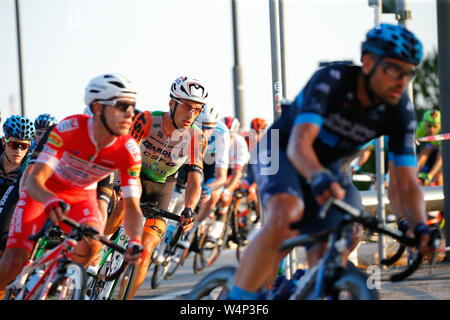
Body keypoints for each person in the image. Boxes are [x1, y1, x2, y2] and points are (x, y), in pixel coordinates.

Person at [227, 23, 444, 300]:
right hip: (282, 148)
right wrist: (317, 177)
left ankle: (294, 291)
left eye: (409, 71)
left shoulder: (400, 110)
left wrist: (417, 225)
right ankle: (238, 300)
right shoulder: (333, 81)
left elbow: (405, 182)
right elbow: (299, 144)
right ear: (367, 62)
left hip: (327, 166)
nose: (402, 80)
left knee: (338, 243)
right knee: (287, 212)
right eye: (393, 68)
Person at [0, 73, 145, 299]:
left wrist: (136, 240)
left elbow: (133, 206)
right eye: (122, 106)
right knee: (12, 263)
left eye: (132, 107)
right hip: (44, 191)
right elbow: (34, 178)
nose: (130, 114)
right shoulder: (70, 128)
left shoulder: (129, 150)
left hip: (80, 197)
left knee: (93, 245)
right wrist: (49, 199)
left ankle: (57, 282)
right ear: (98, 107)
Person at [104, 76, 207, 300]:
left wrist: (189, 208)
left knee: (147, 249)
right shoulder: (147, 120)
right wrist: (120, 184)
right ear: (172, 104)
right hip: (135, 174)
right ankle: (98, 249)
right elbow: (123, 153)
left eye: (197, 110)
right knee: (126, 202)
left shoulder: (196, 138)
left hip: (162, 187)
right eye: (187, 107)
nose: (191, 115)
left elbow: (195, 179)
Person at [0, 115, 34, 257]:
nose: (18, 151)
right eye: (14, 145)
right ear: (4, 141)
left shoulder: (29, 163)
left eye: (24, 146)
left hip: (13, 194)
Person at [415, 109, 442, 186]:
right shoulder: (421, 128)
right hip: (431, 154)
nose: (432, 129)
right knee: (427, 149)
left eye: (435, 126)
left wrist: (429, 177)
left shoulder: (444, 129)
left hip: (442, 157)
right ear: (424, 123)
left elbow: (441, 158)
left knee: (439, 178)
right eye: (429, 125)